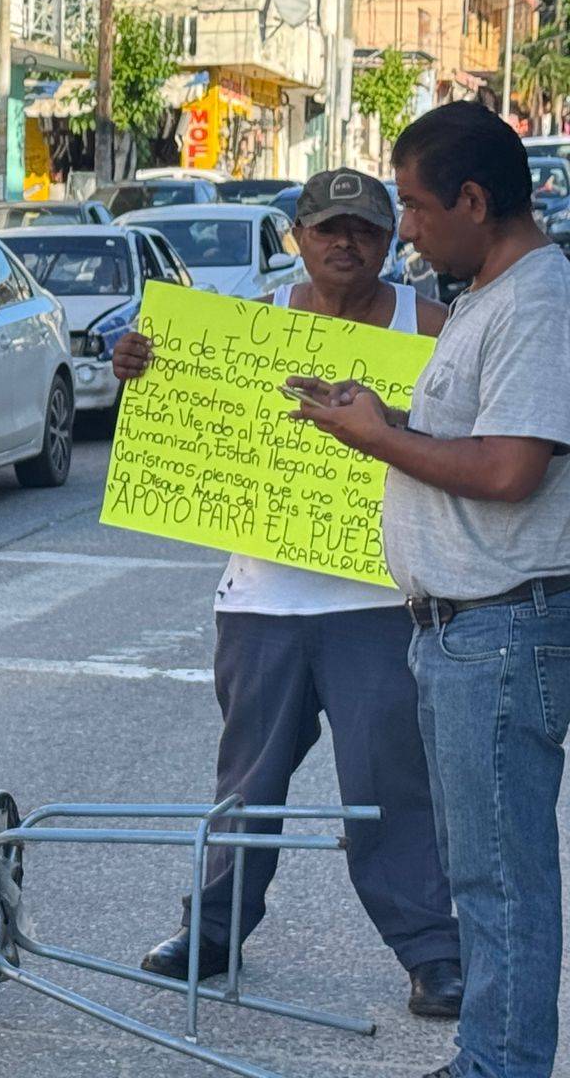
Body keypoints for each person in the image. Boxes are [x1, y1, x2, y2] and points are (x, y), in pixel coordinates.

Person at [113, 168, 463, 1018]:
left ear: (391, 242)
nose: (347, 244)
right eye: (328, 229)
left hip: (380, 599)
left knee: (390, 785)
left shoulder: (435, 328)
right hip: (263, 599)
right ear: (299, 237)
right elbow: (179, 418)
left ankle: (431, 952)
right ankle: (212, 932)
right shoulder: (248, 324)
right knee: (247, 784)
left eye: (367, 231)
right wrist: (141, 372)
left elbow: (475, 438)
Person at [290, 103, 570, 1078]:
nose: (402, 229)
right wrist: (383, 414)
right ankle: (487, 1056)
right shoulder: (492, 292)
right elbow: (473, 432)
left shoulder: (536, 300)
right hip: (462, 632)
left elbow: (507, 471)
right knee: (482, 874)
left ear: (473, 199)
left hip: (498, 629)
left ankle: (500, 1067)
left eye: (410, 205)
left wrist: (378, 437)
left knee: (501, 884)